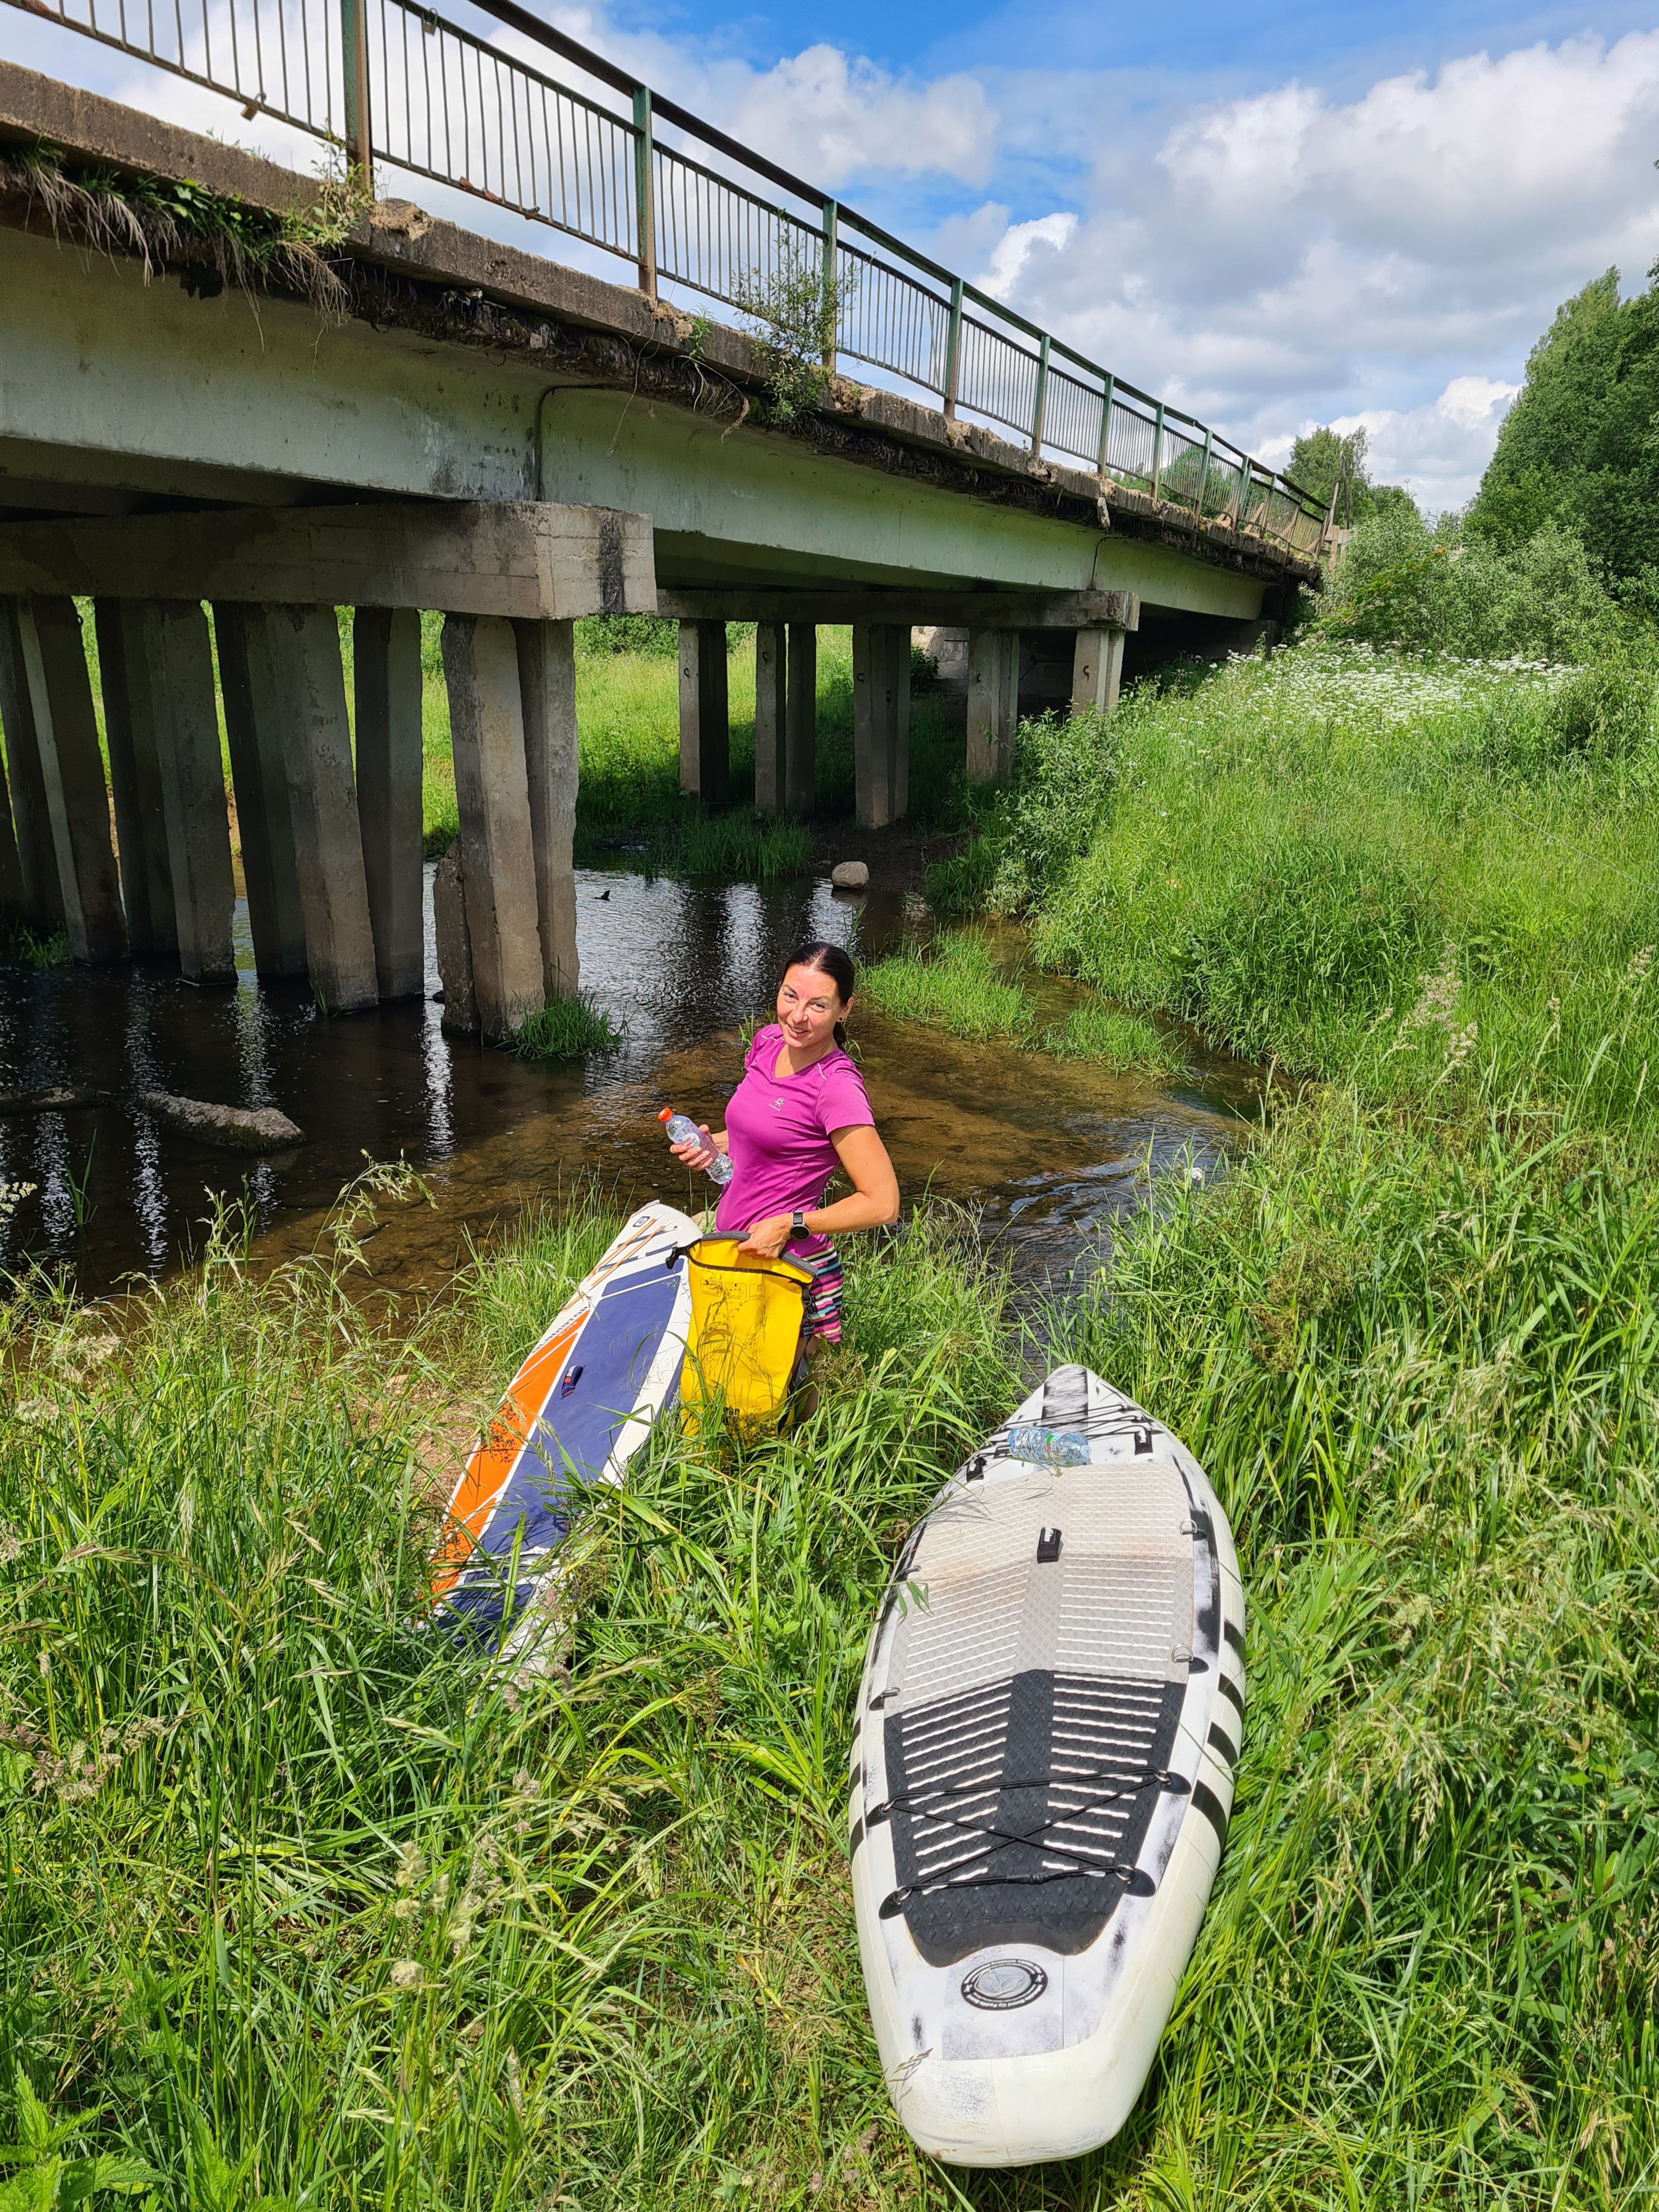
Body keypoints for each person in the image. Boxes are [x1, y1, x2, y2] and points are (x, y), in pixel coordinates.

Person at [667, 941, 899, 1353]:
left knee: (777, 1391)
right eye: (790, 995)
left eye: (818, 1005)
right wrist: (712, 1146)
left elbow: (882, 1204)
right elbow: (765, 1135)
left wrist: (786, 1225)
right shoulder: (769, 1041)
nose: (797, 1016)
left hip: (787, 1268)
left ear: (844, 1009)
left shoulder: (837, 1087)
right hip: (733, 1246)